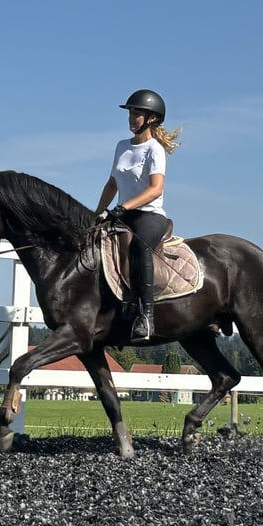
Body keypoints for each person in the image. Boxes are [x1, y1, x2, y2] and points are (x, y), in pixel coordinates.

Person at [95, 89, 181, 342]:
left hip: (149, 216)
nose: (132, 118)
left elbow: (156, 189)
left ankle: (146, 316)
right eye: (131, 113)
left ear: (152, 119)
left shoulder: (155, 150)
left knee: (139, 248)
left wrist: (125, 206)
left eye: (137, 114)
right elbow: (112, 184)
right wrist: (97, 211)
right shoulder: (121, 146)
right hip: (123, 214)